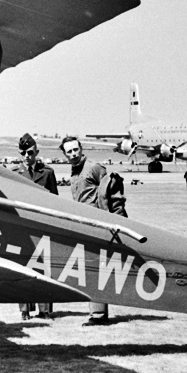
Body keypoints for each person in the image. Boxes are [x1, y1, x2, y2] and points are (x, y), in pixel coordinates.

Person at [60, 136, 127, 326]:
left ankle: (98, 315)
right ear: (65, 154)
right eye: (69, 152)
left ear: (81, 149)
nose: (73, 154)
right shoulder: (75, 172)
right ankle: (96, 313)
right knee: (89, 270)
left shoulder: (93, 168)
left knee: (96, 270)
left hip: (98, 226)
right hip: (84, 226)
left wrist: (117, 219)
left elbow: (113, 189)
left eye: (75, 150)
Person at [15, 133, 58, 320]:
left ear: (37, 152)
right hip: (21, 226)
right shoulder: (14, 173)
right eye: (23, 152)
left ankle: (45, 310)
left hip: (41, 226)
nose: (27, 156)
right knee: (22, 266)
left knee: (44, 267)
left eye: (30, 152)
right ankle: (24, 310)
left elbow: (54, 201)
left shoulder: (47, 173)